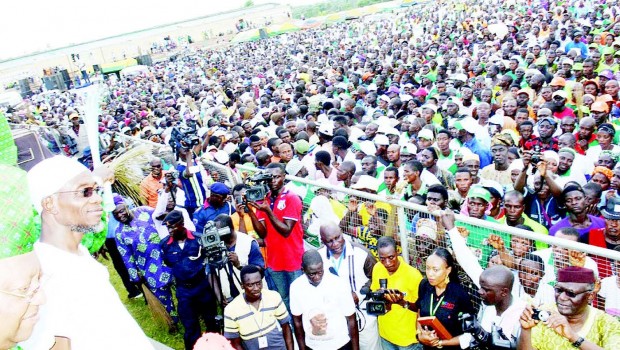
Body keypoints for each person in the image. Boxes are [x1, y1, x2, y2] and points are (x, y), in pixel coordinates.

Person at [23, 155, 153, 349]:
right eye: (86, 192)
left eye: (96, 190)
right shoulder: (45, 276)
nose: (98, 198)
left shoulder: (76, 252)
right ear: (49, 203)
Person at [112, 195, 178, 326]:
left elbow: (163, 219)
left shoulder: (144, 211)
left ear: (127, 206)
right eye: (115, 214)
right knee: (163, 296)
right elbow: (126, 256)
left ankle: (191, 312)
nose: (120, 216)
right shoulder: (119, 232)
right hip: (149, 268)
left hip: (168, 258)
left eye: (121, 211)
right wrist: (135, 277)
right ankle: (172, 320)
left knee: (182, 288)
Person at [247, 163, 304, 312]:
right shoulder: (263, 199)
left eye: (277, 177)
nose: (273, 180)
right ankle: (290, 328)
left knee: (298, 298)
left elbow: (286, 230)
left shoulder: (292, 198)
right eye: (270, 177)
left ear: (284, 177)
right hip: (274, 260)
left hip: (293, 260)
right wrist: (251, 212)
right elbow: (263, 234)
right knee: (283, 298)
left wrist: (268, 211)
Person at [518, 266, 620, 349]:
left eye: (571, 293)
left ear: (590, 296)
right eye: (559, 290)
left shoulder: (607, 323)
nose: (562, 297)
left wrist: (573, 337)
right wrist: (526, 330)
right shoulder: (544, 314)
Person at [161, 210, 219, 350]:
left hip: (202, 287)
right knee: (190, 328)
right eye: (167, 227)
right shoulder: (165, 245)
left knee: (212, 322)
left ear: (181, 225)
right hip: (184, 290)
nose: (169, 231)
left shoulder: (198, 239)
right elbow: (168, 263)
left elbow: (210, 261)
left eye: (172, 227)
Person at [318, 222, 381, 350]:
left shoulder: (361, 253)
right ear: (322, 241)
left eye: (337, 238)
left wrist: (359, 293)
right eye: (329, 241)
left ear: (342, 233)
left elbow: (376, 278)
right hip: (336, 318)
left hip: (363, 317)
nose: (335, 244)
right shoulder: (318, 257)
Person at [290, 249, 359, 350]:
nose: (317, 277)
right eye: (312, 274)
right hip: (313, 346)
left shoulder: (339, 284)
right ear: (303, 270)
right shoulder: (296, 287)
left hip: (340, 345)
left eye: (320, 272)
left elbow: (351, 320)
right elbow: (297, 322)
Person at [223, 265, 294, 350]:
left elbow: (286, 327)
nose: (256, 288)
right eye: (250, 285)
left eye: (259, 283)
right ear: (242, 285)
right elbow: (235, 343)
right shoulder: (231, 309)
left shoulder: (274, 296)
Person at [370, 236, 423, 350]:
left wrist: (402, 302)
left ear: (397, 252)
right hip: (385, 336)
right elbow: (374, 295)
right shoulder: (377, 268)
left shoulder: (413, 275)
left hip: (407, 340)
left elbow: (420, 308)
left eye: (391, 257)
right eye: (382, 259)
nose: (387, 263)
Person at [210, 214, 264, 304]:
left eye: (220, 232)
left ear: (230, 229)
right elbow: (211, 274)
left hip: (253, 296)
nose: (217, 235)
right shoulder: (216, 245)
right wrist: (220, 297)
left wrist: (239, 266)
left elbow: (260, 271)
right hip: (230, 299)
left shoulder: (249, 242)